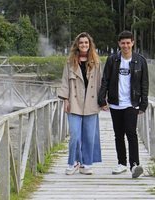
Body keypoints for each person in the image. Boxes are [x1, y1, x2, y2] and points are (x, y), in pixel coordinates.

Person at [98, 30, 149, 178]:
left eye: (128, 43)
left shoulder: (140, 60)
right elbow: (105, 80)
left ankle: (134, 165)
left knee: (131, 133)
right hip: (115, 103)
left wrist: (143, 104)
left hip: (131, 103)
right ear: (119, 44)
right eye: (123, 43)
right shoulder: (112, 59)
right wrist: (102, 99)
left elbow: (144, 83)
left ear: (133, 43)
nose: (126, 46)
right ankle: (121, 163)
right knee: (118, 134)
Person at [58, 32, 102, 175]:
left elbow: (100, 83)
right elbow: (65, 81)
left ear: (90, 45)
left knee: (90, 135)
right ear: (77, 44)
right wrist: (65, 99)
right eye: (81, 42)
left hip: (91, 102)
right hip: (74, 103)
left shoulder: (96, 62)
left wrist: (103, 101)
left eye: (86, 43)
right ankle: (73, 162)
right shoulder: (70, 62)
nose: (84, 45)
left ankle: (85, 163)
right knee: (75, 135)